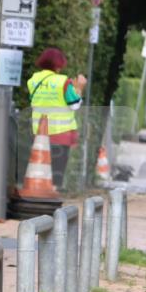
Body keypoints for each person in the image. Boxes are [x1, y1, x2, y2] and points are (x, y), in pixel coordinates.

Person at [26, 48, 87, 189]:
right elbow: (75, 105)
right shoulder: (63, 82)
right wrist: (79, 88)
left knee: (40, 168)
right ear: (59, 65)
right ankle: (52, 196)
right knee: (56, 173)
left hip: (39, 132)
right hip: (61, 132)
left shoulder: (33, 80)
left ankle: (39, 194)